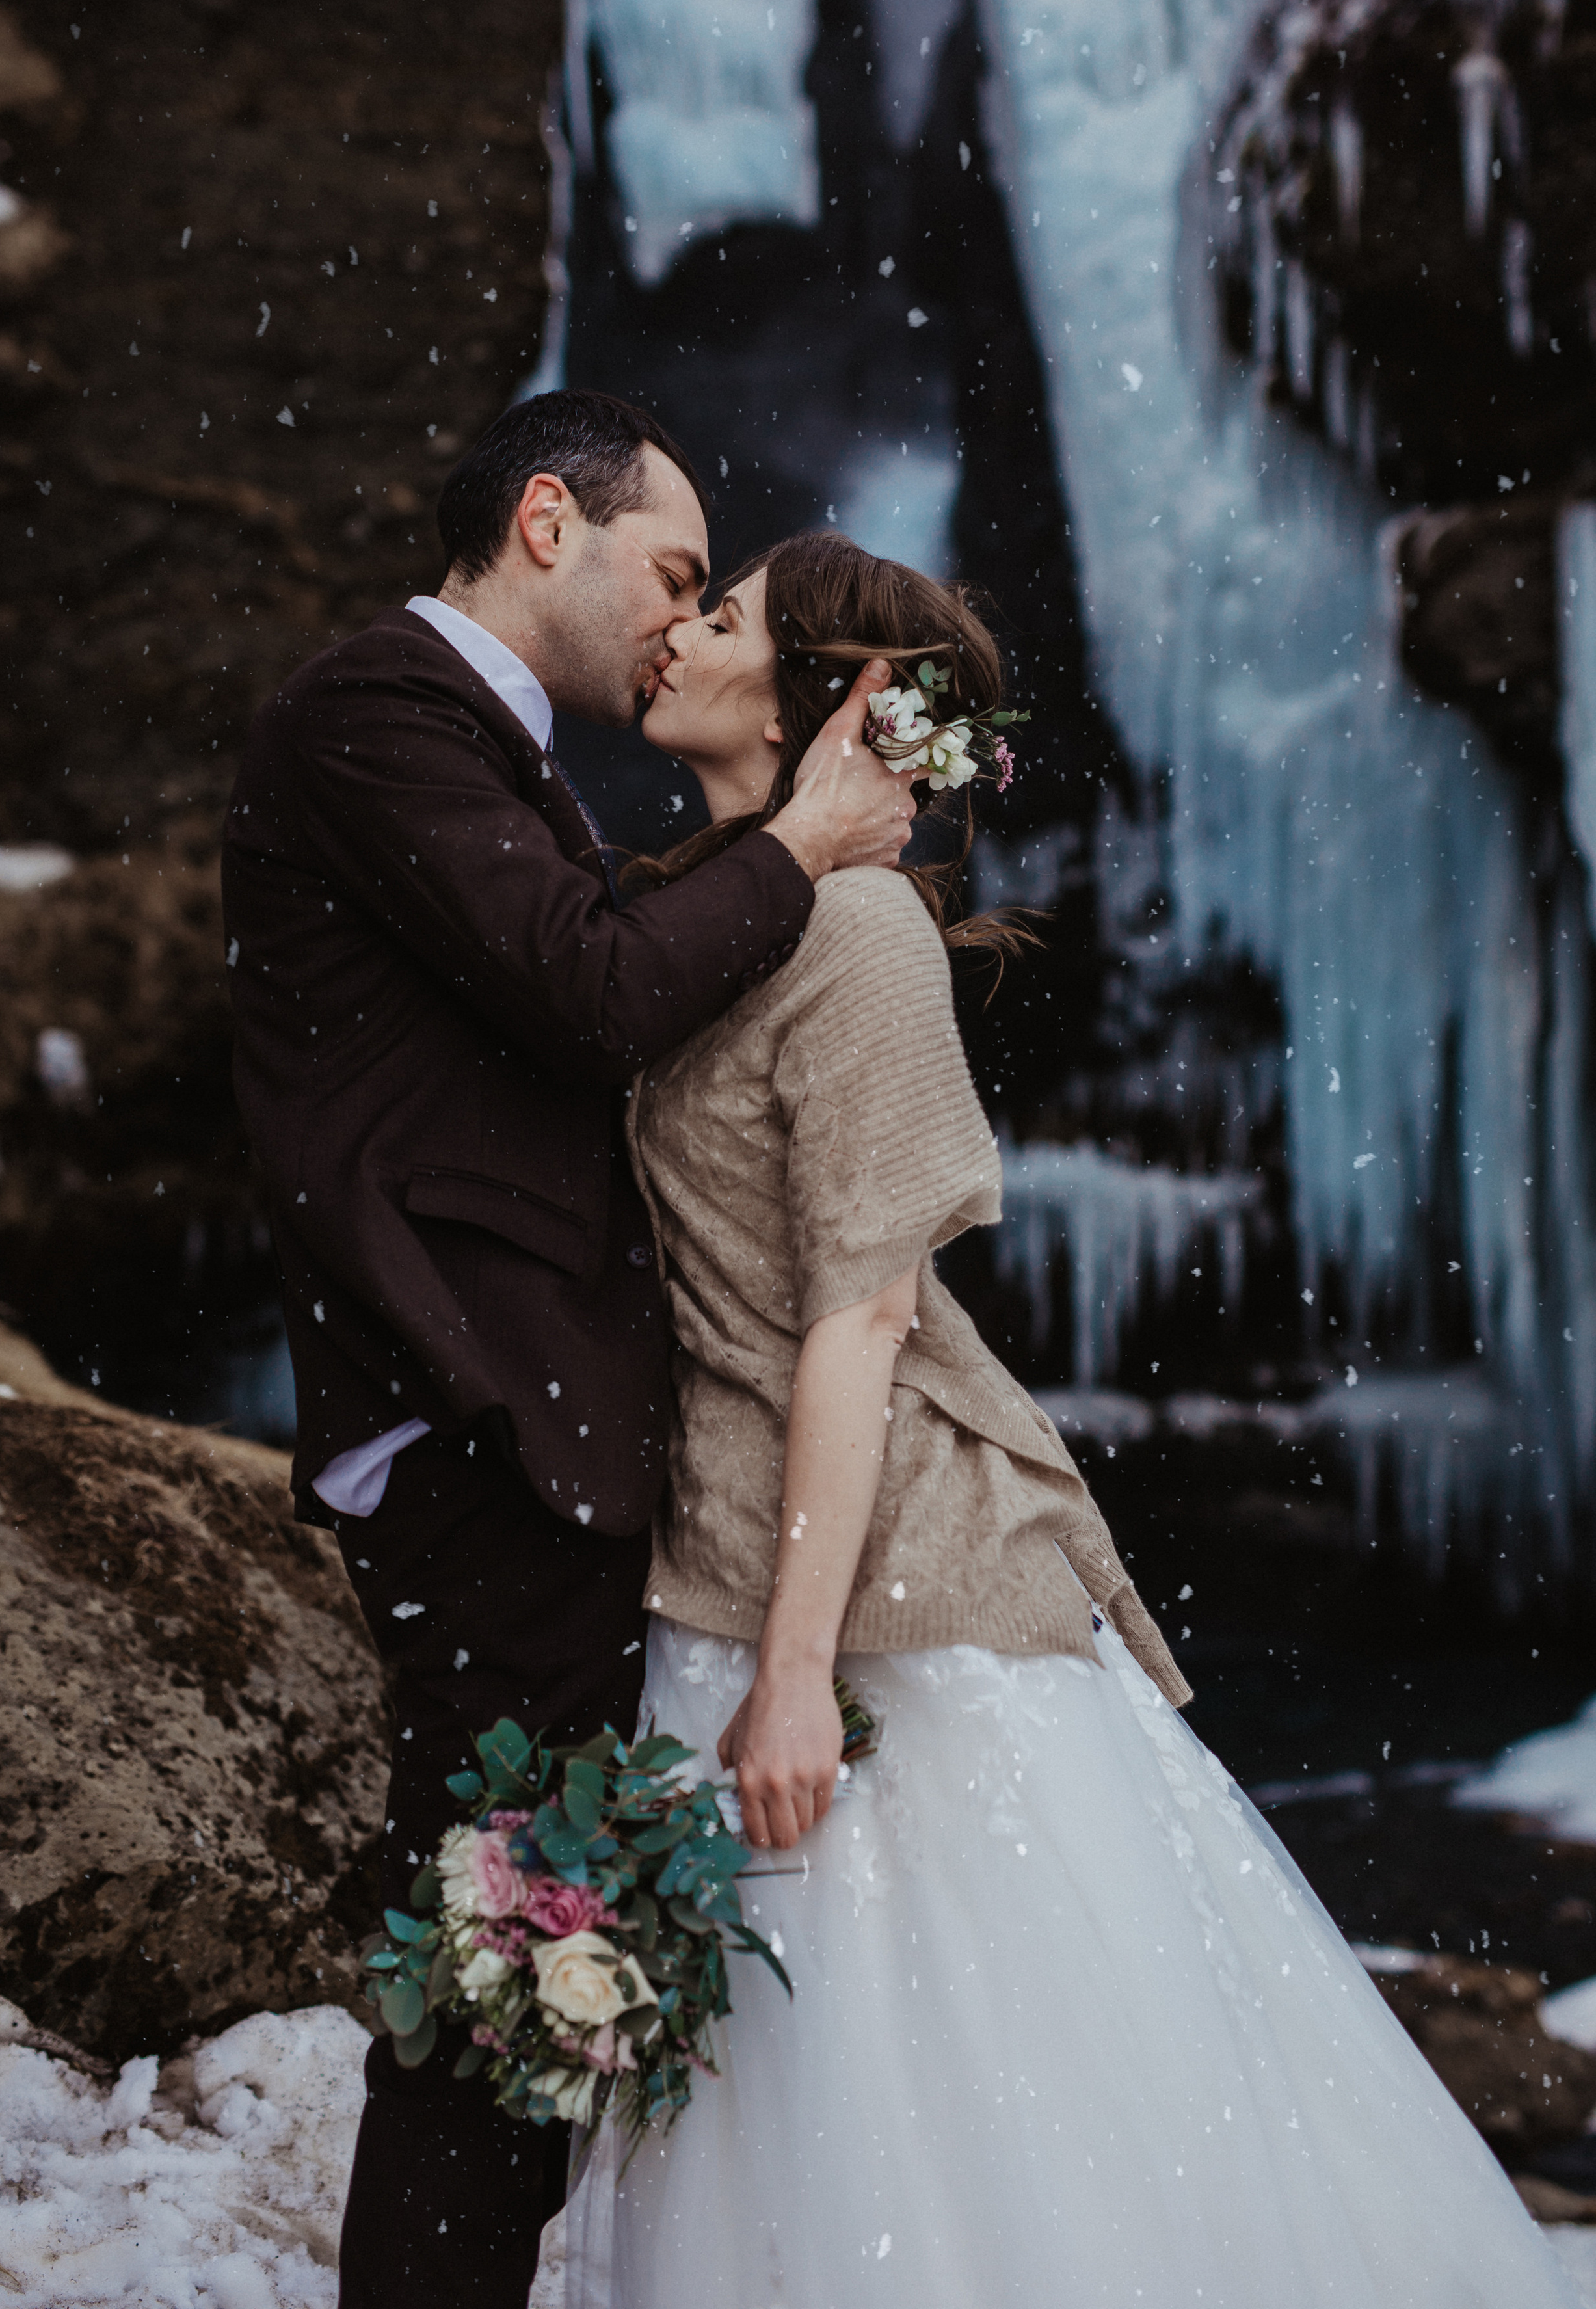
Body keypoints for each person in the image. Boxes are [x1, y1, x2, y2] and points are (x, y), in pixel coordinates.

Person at [563, 528, 1583, 2308]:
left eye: (719, 616)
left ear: (842, 697)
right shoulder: (701, 909)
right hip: (725, 1561)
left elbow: (863, 1313)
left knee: (975, 2086)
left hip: (886, 1598)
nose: (673, 630)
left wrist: (799, 1670)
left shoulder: (860, 935)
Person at [219, 392, 917, 2309]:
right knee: (503, 1971)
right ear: (551, 523)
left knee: (530, 1967)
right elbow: (596, 994)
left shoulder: (491, 752)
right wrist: (807, 840)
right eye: (673, 574)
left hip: (525, 1437)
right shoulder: (378, 715)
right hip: (474, 1431)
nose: (681, 626)